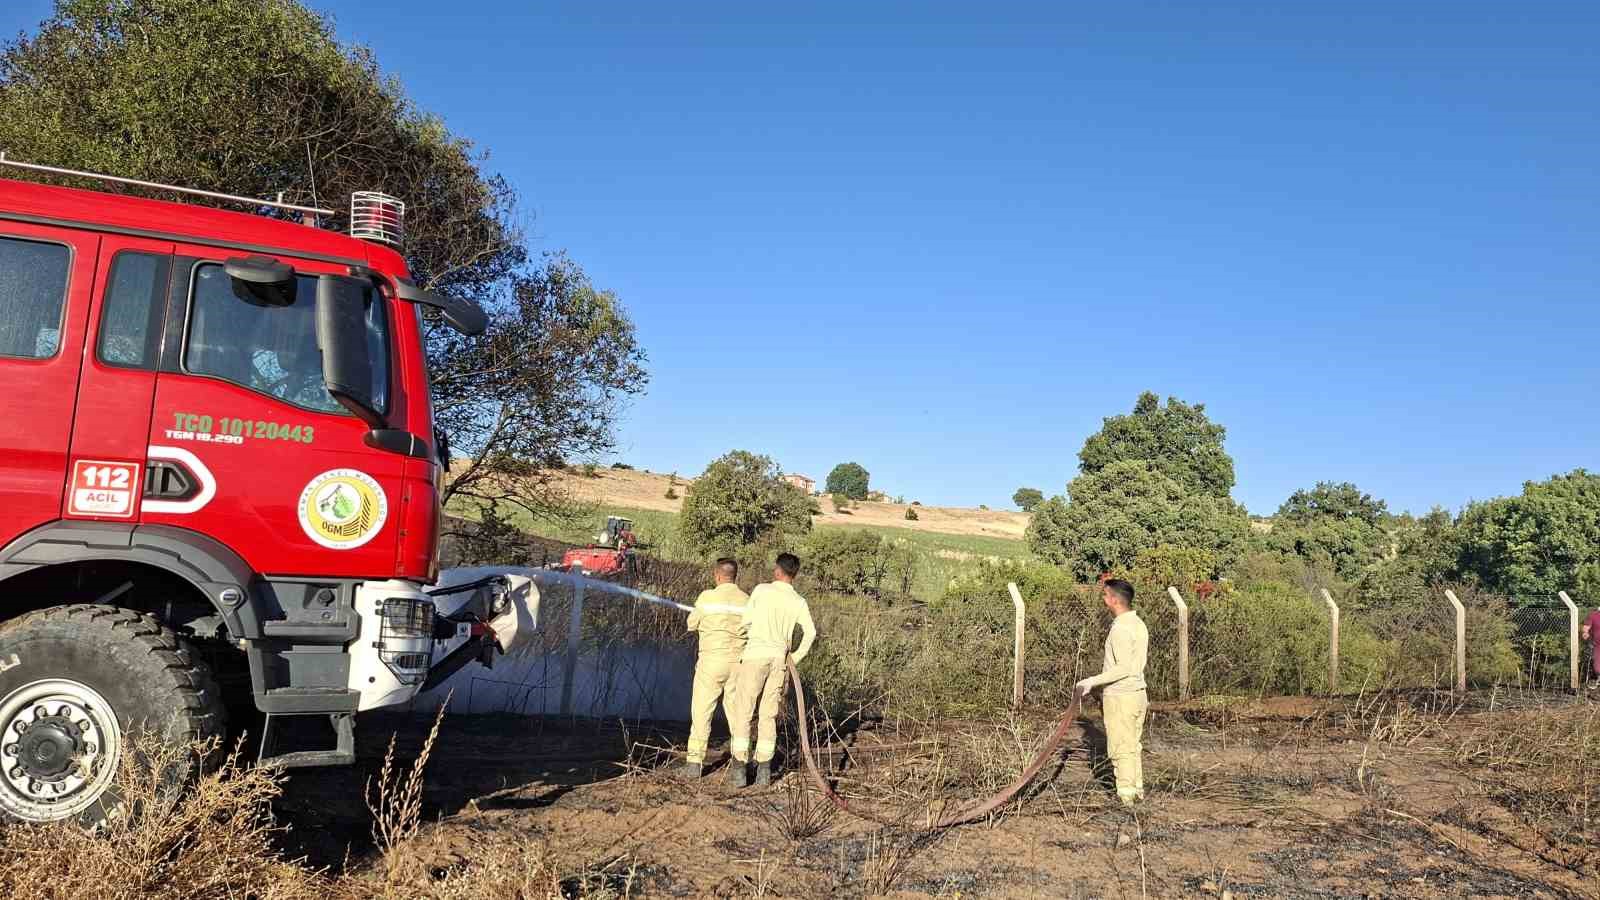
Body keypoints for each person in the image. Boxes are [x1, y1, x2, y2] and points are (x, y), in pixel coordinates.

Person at [727, 552, 817, 787]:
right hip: (779, 661)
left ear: (778, 570)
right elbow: (811, 633)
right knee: (768, 715)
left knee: (744, 711)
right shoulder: (798, 601)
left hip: (755, 655)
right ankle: (763, 773)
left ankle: (739, 770)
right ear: (794, 574)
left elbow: (745, 623)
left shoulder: (761, 591)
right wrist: (794, 657)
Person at [1075, 578, 1149, 807]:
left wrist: (1091, 682)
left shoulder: (1120, 629)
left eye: (1106, 595)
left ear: (1115, 600)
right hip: (1138, 695)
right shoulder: (1138, 624)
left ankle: (1126, 800)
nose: (1103, 599)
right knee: (1133, 746)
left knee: (1120, 749)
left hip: (1121, 697)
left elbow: (1123, 668)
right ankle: (1137, 792)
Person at [683, 558, 750, 778]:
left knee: (702, 711)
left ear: (717, 575)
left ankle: (694, 764)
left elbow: (691, 624)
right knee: (738, 715)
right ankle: (740, 766)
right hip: (739, 664)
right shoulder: (746, 600)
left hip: (711, 662)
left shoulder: (706, 597)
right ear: (735, 576)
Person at [1582, 605, 1600, 690]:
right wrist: (1585, 633)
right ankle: (1595, 678)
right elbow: (1586, 628)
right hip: (1597, 645)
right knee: (1597, 668)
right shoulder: (1593, 615)